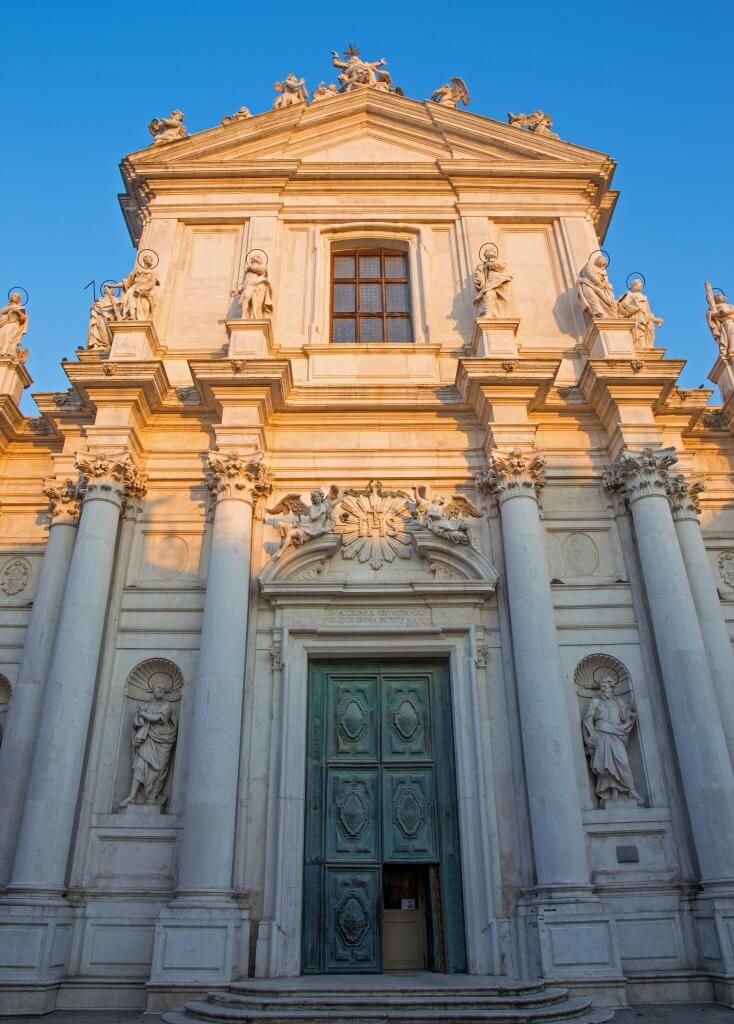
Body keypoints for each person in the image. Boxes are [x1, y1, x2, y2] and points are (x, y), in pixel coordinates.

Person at [119, 681, 178, 807]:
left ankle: (152, 797)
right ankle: (132, 796)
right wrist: (140, 717)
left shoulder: (167, 705)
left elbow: (159, 719)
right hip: (147, 739)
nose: (161, 690)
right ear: (153, 690)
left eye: (163, 689)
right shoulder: (147, 705)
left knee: (160, 769)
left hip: (163, 740)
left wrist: (143, 713)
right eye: (158, 688)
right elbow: (138, 722)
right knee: (139, 766)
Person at [582, 676, 640, 804]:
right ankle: (613, 792)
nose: (603, 689)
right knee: (606, 765)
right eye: (602, 687)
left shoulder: (618, 701)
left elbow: (625, 717)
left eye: (605, 686)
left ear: (611, 687)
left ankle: (630, 790)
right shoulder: (596, 701)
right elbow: (587, 719)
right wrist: (592, 733)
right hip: (602, 735)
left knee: (623, 762)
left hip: (617, 734)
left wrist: (634, 709)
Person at [618, 278, 663, 348]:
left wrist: (655, 319)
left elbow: (648, 310)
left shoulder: (644, 297)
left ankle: (647, 346)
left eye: (640, 285)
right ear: (632, 286)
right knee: (638, 334)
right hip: (635, 317)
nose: (639, 286)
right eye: (636, 285)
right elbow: (622, 305)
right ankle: (639, 347)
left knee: (650, 328)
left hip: (644, 318)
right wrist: (632, 308)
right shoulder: (629, 294)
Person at [232, 251, 273, 319]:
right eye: (252, 261)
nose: (253, 262)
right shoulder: (248, 272)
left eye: (254, 260)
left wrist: (249, 268)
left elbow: (260, 270)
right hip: (249, 287)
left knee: (255, 304)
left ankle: (255, 317)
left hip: (258, 286)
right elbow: (244, 284)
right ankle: (244, 316)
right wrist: (237, 291)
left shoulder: (262, 267)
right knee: (245, 300)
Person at [577, 253, 617, 318]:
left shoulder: (603, 271)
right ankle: (599, 312)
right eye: (602, 261)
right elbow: (589, 274)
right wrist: (598, 282)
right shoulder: (589, 265)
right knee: (592, 296)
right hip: (588, 283)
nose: (602, 263)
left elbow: (605, 280)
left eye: (603, 264)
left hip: (601, 288)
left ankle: (610, 312)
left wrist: (604, 284)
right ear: (598, 259)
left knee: (610, 301)